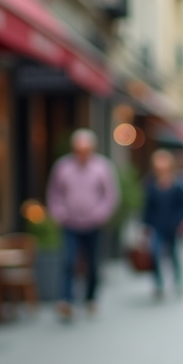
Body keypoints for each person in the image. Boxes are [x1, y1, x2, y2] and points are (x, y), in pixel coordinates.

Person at [46, 128, 120, 320]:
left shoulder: (102, 167)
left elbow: (110, 195)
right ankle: (67, 300)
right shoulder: (62, 167)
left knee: (93, 263)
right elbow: (54, 193)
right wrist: (59, 213)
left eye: (85, 149)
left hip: (94, 225)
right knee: (69, 261)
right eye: (78, 149)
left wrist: (101, 214)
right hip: (70, 223)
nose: (82, 153)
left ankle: (90, 298)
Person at [142, 149, 183, 297]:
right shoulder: (150, 183)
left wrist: (177, 221)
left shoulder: (178, 184)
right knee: (155, 254)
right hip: (156, 226)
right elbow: (147, 207)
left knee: (174, 255)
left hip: (173, 227)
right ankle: (158, 284)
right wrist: (145, 225)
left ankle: (178, 282)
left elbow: (182, 206)